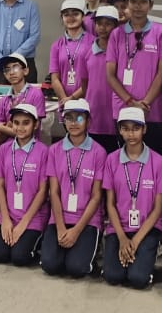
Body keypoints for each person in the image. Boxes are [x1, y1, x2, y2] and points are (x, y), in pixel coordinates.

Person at [103, 107, 162, 290]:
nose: (131, 134)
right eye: (125, 128)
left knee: (138, 278)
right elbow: (110, 204)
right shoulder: (112, 160)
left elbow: (158, 208)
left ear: (144, 129)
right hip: (120, 227)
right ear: (119, 130)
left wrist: (136, 240)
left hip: (147, 228)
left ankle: (147, 253)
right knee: (113, 276)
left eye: (136, 128)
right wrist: (122, 238)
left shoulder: (158, 162)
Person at [105, 0, 162, 169]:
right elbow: (110, 75)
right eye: (133, 1)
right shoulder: (116, 34)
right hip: (123, 108)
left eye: (143, 2)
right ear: (128, 4)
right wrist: (130, 102)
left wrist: (145, 103)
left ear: (151, 5)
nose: (138, 6)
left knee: (153, 163)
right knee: (127, 162)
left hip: (153, 110)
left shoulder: (161, 32)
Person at [40, 99, 106, 278]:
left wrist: (76, 231)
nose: (74, 123)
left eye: (79, 118)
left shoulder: (98, 152)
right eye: (69, 118)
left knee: (76, 268)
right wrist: (61, 227)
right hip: (60, 217)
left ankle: (91, 248)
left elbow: (96, 196)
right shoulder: (54, 150)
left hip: (87, 220)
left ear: (88, 121)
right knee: (50, 265)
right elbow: (54, 192)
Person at [0, 103, 48, 266]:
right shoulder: (4, 149)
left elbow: (43, 191)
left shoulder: (44, 151)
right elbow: (0, 186)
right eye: (16, 123)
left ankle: (39, 241)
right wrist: (5, 219)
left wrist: (23, 223)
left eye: (26, 123)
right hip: (9, 214)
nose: (20, 127)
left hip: (32, 217)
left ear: (35, 124)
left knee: (20, 257)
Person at [83, 5, 120, 152]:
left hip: (115, 115)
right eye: (99, 23)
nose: (102, 28)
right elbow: (84, 82)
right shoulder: (87, 51)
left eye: (108, 24)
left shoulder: (121, 51)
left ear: (116, 26)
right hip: (94, 115)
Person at [0, 53, 46, 145]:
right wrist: (1, 128)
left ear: (25, 71)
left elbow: (33, 129)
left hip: (31, 146)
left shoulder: (36, 94)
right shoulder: (4, 100)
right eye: (7, 70)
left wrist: (3, 128)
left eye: (16, 67)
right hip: (8, 147)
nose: (11, 73)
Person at [49, 0, 91, 107]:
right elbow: (54, 78)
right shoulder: (56, 45)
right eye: (66, 15)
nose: (71, 18)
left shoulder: (93, 42)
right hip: (64, 103)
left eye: (75, 14)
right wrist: (65, 100)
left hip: (86, 101)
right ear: (62, 18)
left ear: (83, 17)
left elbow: (92, 77)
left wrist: (72, 98)